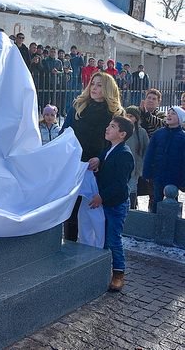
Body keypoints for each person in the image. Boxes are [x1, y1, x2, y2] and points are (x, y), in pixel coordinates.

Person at [60, 72, 124, 241]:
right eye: (93, 84)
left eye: (100, 85)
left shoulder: (115, 114)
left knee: (93, 213)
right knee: (71, 209)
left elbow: (117, 144)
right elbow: (64, 134)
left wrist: (100, 159)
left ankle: (93, 251)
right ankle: (69, 244)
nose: (94, 88)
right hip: (75, 164)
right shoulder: (78, 107)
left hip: (97, 169)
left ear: (109, 89)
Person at [88, 116, 134, 291]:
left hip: (116, 204)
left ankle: (118, 274)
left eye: (112, 126)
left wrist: (102, 197)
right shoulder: (109, 149)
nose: (107, 128)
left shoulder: (124, 155)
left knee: (113, 239)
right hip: (106, 203)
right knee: (103, 238)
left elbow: (119, 184)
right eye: (109, 125)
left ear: (122, 134)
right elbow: (103, 158)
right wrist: (98, 160)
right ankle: (104, 270)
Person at [142, 106, 185, 213]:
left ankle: (173, 222)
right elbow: (149, 154)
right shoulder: (158, 134)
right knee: (156, 199)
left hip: (175, 176)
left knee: (173, 200)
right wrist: (146, 173)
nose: (169, 115)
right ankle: (154, 222)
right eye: (168, 113)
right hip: (158, 174)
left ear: (180, 119)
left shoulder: (182, 137)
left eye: (173, 113)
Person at [125, 106, 149, 209]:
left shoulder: (141, 132)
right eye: (127, 115)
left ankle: (132, 211)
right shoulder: (121, 129)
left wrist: (142, 167)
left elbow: (146, 150)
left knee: (132, 190)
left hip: (135, 168)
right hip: (122, 166)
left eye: (131, 116)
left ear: (136, 118)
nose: (129, 118)